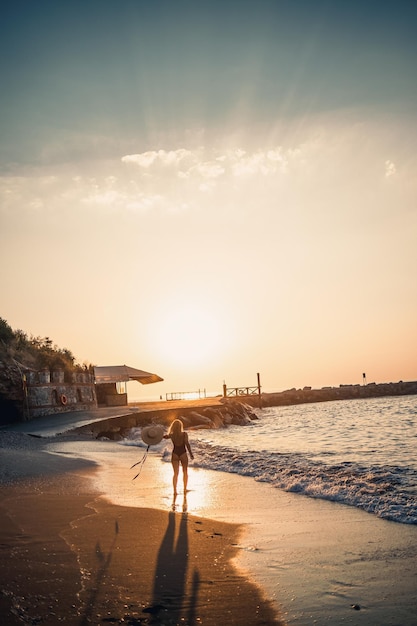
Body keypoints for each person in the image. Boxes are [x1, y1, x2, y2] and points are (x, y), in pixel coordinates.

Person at [163, 419, 194, 494]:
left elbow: (162, 437)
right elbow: (187, 444)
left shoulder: (171, 435)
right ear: (181, 426)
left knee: (175, 473)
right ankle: (184, 489)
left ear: (173, 427)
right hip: (183, 453)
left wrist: (152, 437)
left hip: (175, 454)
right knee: (185, 472)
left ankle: (175, 491)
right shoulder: (184, 434)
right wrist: (191, 454)